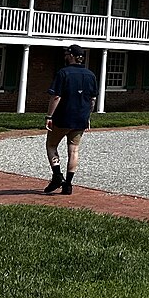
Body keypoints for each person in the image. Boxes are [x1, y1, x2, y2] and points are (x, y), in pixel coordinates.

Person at [43, 44, 98, 194]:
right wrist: (87, 116)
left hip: (63, 117)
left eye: (67, 54)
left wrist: (49, 116)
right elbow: (92, 100)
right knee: (74, 150)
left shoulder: (63, 73)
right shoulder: (91, 75)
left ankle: (57, 175)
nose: (65, 56)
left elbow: (56, 96)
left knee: (51, 145)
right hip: (81, 118)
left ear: (71, 56)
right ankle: (68, 184)